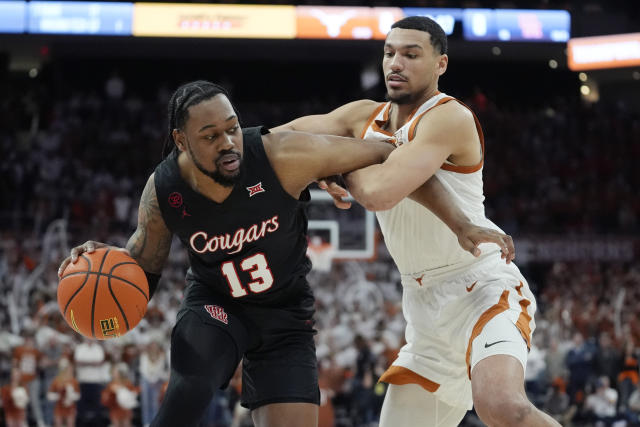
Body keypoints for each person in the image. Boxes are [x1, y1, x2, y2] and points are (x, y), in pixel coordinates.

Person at [58, 80, 511, 427]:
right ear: (181, 142)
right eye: (211, 136)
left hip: (285, 315)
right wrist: (105, 262)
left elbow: (391, 153)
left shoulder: (282, 155)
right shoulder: (165, 191)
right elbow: (143, 266)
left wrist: (463, 223)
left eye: (232, 128)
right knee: (190, 390)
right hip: (218, 304)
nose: (228, 143)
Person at [273, 15, 559, 427]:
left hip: (480, 288)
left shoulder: (447, 117)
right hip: (423, 311)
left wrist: (334, 160)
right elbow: (280, 141)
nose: (396, 64)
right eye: (389, 53)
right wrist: (217, 144)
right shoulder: (361, 115)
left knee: (502, 407)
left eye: (411, 54)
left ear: (440, 64)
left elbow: (379, 192)